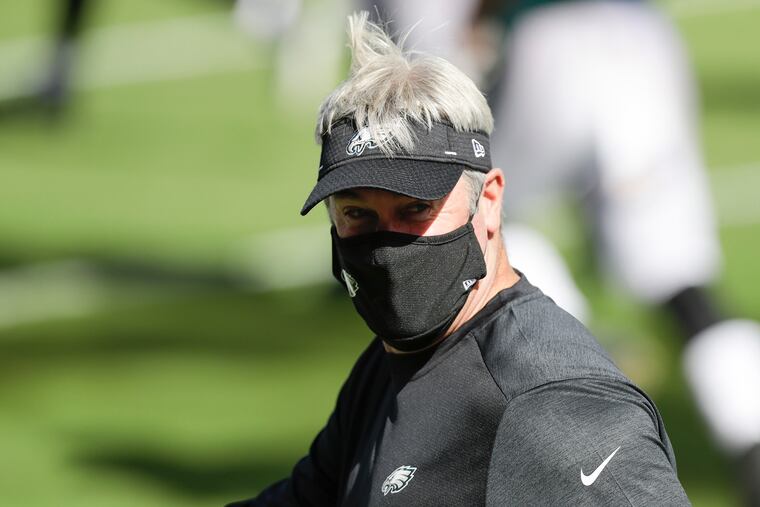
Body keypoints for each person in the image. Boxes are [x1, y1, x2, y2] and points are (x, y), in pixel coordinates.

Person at [227, 12, 690, 506]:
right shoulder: (391, 363)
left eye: (415, 209)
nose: (384, 247)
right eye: (358, 214)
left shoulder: (553, 405)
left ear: (488, 201)